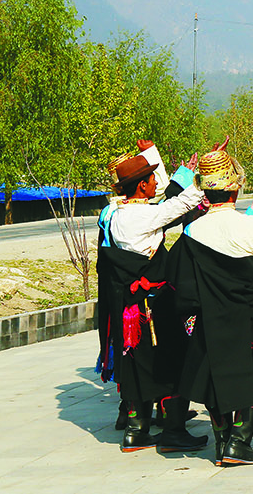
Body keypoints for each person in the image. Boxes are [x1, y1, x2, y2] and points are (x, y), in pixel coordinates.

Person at [165, 149, 253, 466]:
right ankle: (239, 442)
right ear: (235, 189)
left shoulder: (192, 231)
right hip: (248, 316)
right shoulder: (249, 225)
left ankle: (221, 443)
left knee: (214, 381)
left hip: (208, 319)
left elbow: (179, 279)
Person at [94, 149, 207, 454]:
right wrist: (207, 175)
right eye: (152, 179)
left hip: (128, 306)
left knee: (136, 364)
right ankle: (174, 431)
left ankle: (136, 431)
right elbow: (180, 203)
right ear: (142, 185)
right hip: (153, 306)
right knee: (172, 360)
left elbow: (166, 202)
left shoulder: (114, 214)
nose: (157, 182)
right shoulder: (143, 216)